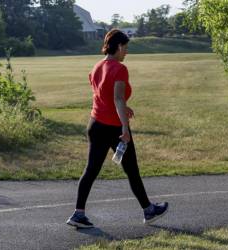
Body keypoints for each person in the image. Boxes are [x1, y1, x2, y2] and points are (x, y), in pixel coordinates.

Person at [66, 29, 168, 229]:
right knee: (132, 169)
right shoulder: (120, 69)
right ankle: (149, 211)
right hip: (113, 127)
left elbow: (102, 94)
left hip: (95, 124)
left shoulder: (96, 66)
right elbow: (118, 98)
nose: (127, 52)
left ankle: (78, 214)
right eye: (126, 48)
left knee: (91, 170)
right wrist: (125, 127)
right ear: (119, 46)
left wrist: (122, 108)